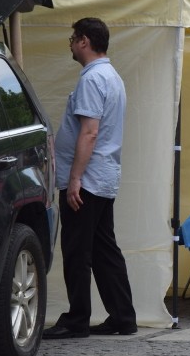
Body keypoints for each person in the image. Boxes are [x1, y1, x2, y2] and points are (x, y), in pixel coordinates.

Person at [43, 18, 137, 339]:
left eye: (73, 38)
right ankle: (123, 316)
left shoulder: (92, 79)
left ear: (84, 41)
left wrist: (74, 179)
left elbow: (89, 131)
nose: (70, 44)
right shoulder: (112, 76)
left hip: (88, 179)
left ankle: (77, 318)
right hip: (104, 176)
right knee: (103, 249)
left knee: (77, 250)